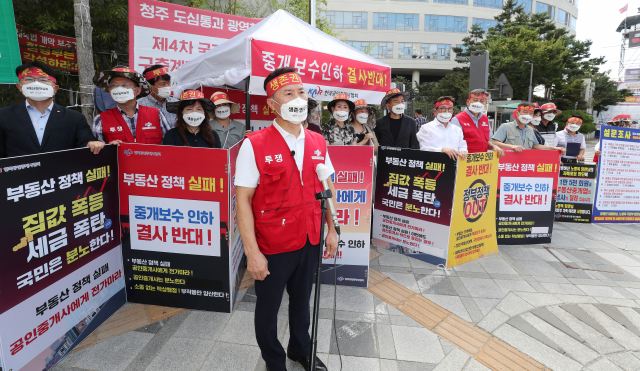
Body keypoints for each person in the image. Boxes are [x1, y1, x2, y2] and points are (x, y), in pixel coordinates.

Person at [235, 67, 337, 371]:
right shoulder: (254, 144)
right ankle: (274, 361)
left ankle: (299, 348)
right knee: (267, 309)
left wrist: (332, 228)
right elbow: (243, 201)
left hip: (309, 237)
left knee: (302, 301)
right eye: (288, 93)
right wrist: (253, 254)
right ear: (272, 104)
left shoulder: (318, 141)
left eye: (301, 92)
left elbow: (328, 186)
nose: (297, 98)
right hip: (272, 244)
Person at [0, 61, 103, 158]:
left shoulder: (74, 118)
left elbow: (86, 141)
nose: (37, 84)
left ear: (55, 89)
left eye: (43, 80)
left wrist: (92, 144)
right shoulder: (4, 115)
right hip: (18, 175)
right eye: (29, 79)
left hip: (60, 174)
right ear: (19, 87)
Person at [92, 66, 172, 145]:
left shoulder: (157, 114)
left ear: (137, 91)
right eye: (114, 85)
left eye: (125, 85)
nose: (119, 89)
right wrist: (109, 148)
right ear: (110, 91)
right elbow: (98, 153)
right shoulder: (100, 120)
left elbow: (170, 146)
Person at [491, 102, 566, 154]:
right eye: (525, 112)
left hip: (526, 163)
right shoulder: (505, 126)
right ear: (517, 113)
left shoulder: (530, 129)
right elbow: (495, 143)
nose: (528, 115)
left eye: (531, 113)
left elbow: (536, 145)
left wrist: (553, 148)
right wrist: (512, 147)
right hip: (508, 163)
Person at [450, 89, 504, 157]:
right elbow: (451, 143)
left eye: (482, 101)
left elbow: (484, 141)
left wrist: (493, 146)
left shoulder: (485, 119)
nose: (478, 103)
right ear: (468, 102)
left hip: (480, 162)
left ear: (485, 104)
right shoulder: (457, 119)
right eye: (475, 100)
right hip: (463, 161)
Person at [416, 96, 467, 160]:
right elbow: (424, 149)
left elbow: (462, 145)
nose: (446, 111)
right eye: (442, 108)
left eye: (450, 109)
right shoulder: (426, 128)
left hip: (454, 166)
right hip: (434, 165)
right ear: (435, 111)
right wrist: (442, 150)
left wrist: (463, 150)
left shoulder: (457, 129)